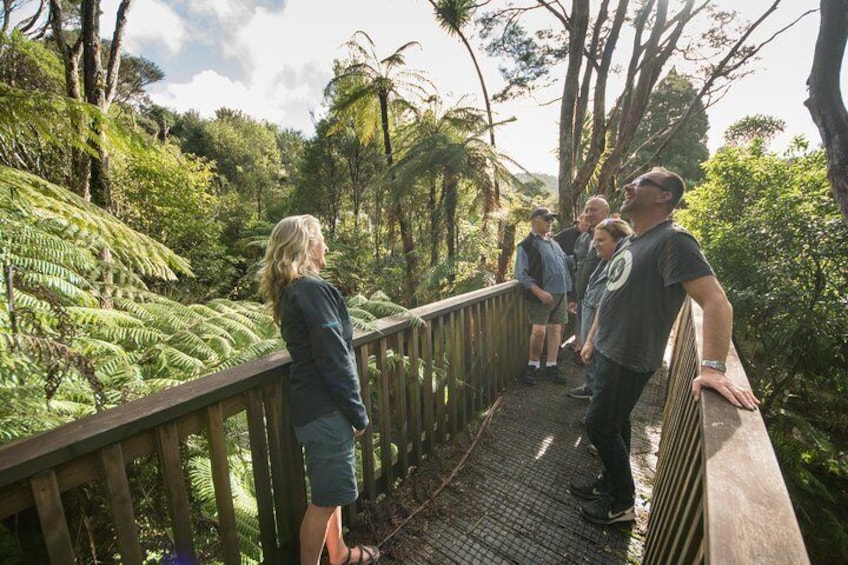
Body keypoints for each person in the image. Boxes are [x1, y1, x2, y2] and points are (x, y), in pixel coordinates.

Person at [569, 168, 760, 526]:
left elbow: (717, 303)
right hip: (609, 348)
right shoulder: (634, 240)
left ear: (664, 196)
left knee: (598, 425)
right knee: (614, 423)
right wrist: (593, 338)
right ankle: (608, 483)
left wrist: (712, 369)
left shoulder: (675, 240)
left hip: (631, 356)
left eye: (641, 182)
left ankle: (622, 505)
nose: (629, 185)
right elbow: (612, 294)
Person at [258, 215, 379, 565]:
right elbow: (334, 357)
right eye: (322, 239)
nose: (327, 245)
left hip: (314, 408)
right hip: (327, 410)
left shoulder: (297, 291)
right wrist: (357, 413)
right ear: (307, 246)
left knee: (330, 492)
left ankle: (338, 553)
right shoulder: (311, 290)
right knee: (324, 501)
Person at [514, 206, 574, 385]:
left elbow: (565, 261)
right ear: (534, 221)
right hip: (541, 296)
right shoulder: (526, 245)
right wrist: (538, 292)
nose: (550, 222)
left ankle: (551, 365)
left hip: (561, 292)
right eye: (546, 218)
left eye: (551, 219)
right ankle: (532, 365)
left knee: (555, 330)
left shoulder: (553, 242)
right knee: (539, 331)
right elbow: (521, 274)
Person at [577, 218, 634, 400]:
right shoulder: (605, 262)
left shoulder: (622, 267)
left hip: (604, 335)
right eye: (595, 239)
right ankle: (591, 390)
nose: (595, 244)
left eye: (600, 240)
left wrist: (591, 340)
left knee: (603, 376)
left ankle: (596, 404)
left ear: (618, 240)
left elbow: (607, 305)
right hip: (593, 324)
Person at [568, 198, 610, 365]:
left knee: (599, 343)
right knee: (586, 340)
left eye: (594, 210)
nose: (589, 214)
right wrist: (573, 296)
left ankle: (596, 386)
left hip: (601, 299)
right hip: (582, 297)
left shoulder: (616, 238)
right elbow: (576, 269)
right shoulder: (583, 238)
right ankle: (589, 382)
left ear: (605, 212)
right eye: (586, 210)